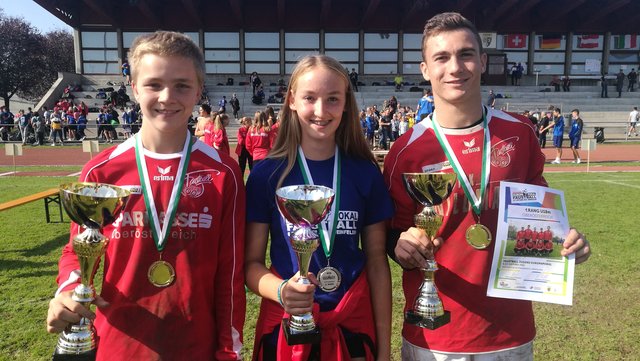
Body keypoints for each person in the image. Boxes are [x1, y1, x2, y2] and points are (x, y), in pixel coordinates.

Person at [383, 13, 591, 360]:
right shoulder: (406, 151)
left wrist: (567, 244)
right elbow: (389, 234)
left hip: (508, 332)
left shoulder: (520, 134)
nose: (455, 67)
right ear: (424, 69)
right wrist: (400, 247)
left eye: (465, 54)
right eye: (441, 57)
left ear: (481, 61)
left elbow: (539, 214)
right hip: (435, 334)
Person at [45, 31, 246, 360]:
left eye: (182, 85)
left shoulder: (223, 172)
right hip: (117, 346)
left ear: (198, 90)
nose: (168, 96)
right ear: (135, 88)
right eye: (154, 84)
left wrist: (228, 351)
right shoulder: (102, 172)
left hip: (197, 347)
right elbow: (78, 250)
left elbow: (231, 272)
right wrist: (69, 288)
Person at [245, 54, 393, 360]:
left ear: (346, 104)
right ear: (292, 100)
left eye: (333, 99)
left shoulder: (364, 172)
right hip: (288, 332)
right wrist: (282, 290)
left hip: (351, 328)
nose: (321, 111)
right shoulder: (266, 175)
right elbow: (250, 265)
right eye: (310, 98)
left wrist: (384, 350)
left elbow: (378, 265)